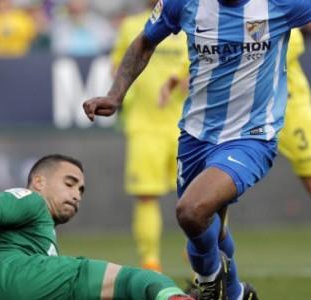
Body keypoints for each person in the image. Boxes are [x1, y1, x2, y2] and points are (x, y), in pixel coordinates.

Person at [83, 0, 311, 299]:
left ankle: (209, 283)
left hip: (252, 135)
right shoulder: (184, 3)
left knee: (191, 210)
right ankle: (234, 294)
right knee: (205, 225)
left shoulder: (279, 4)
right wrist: (116, 94)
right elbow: (143, 43)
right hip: (195, 135)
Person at [160, 28, 311, 299]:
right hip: (237, 111)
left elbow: (297, 37)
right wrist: (181, 71)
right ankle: (219, 287)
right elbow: (212, 33)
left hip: (287, 104)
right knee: (211, 192)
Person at [0, 154, 194, 300]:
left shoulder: (39, 231)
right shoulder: (31, 200)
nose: (77, 194)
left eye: (81, 189)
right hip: (15, 277)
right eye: (69, 183)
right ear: (38, 181)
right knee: (134, 281)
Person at [110, 0, 189, 273]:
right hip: (154, 126)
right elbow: (118, 69)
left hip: (182, 125)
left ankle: (180, 256)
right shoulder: (186, 19)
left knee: (202, 195)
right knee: (151, 196)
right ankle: (152, 263)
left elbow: (117, 69)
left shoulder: (187, 18)